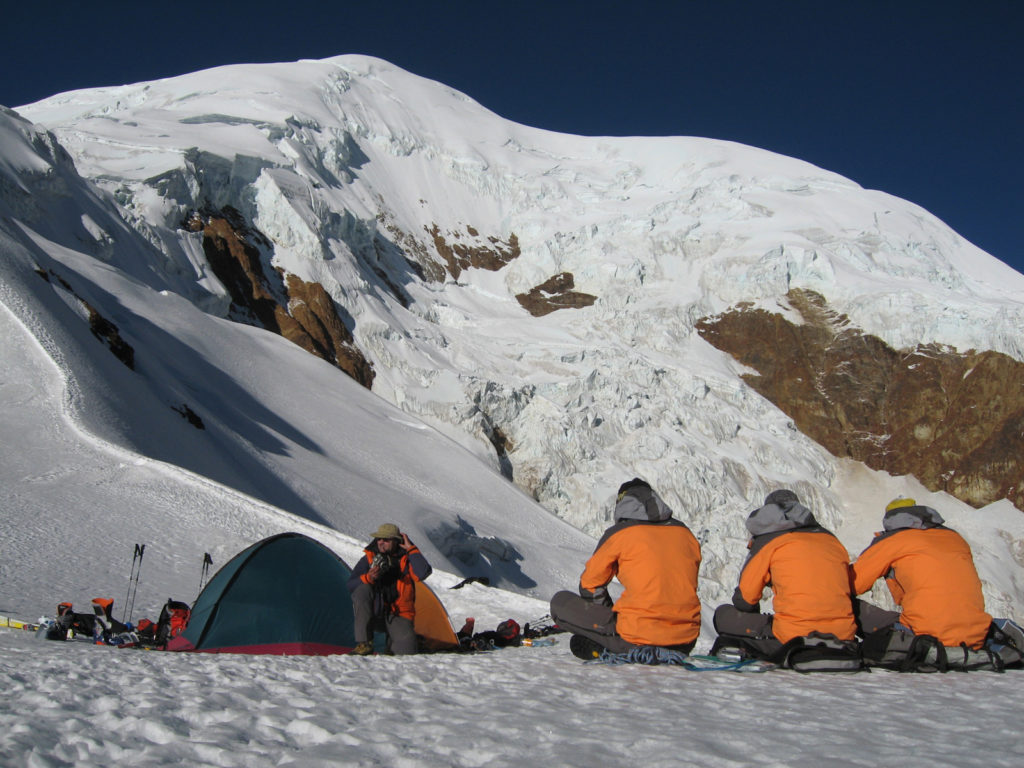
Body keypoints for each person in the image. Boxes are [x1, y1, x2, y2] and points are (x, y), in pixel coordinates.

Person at [550, 478, 702, 659]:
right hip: (685, 641)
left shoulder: (621, 533)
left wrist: (607, 614)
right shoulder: (685, 533)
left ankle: (612, 644)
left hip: (635, 637)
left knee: (560, 602)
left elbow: (589, 585)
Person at [713, 489, 857, 658]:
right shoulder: (830, 539)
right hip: (843, 635)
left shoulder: (769, 540)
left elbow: (744, 600)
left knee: (723, 615)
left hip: (793, 635)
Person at [850, 497, 991, 649]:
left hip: (923, 635)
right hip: (975, 636)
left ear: (890, 519)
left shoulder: (893, 540)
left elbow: (852, 584)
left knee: (840, 602)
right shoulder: (955, 538)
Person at [347, 523, 432, 656]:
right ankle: (364, 643)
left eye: (386, 540)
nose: (381, 542)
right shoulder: (369, 558)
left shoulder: (406, 559)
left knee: (406, 653)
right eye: (379, 539)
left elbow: (422, 573)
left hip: (399, 614)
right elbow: (351, 584)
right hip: (374, 612)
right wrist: (368, 578)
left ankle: (392, 644)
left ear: (397, 541)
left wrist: (411, 549)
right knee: (362, 589)